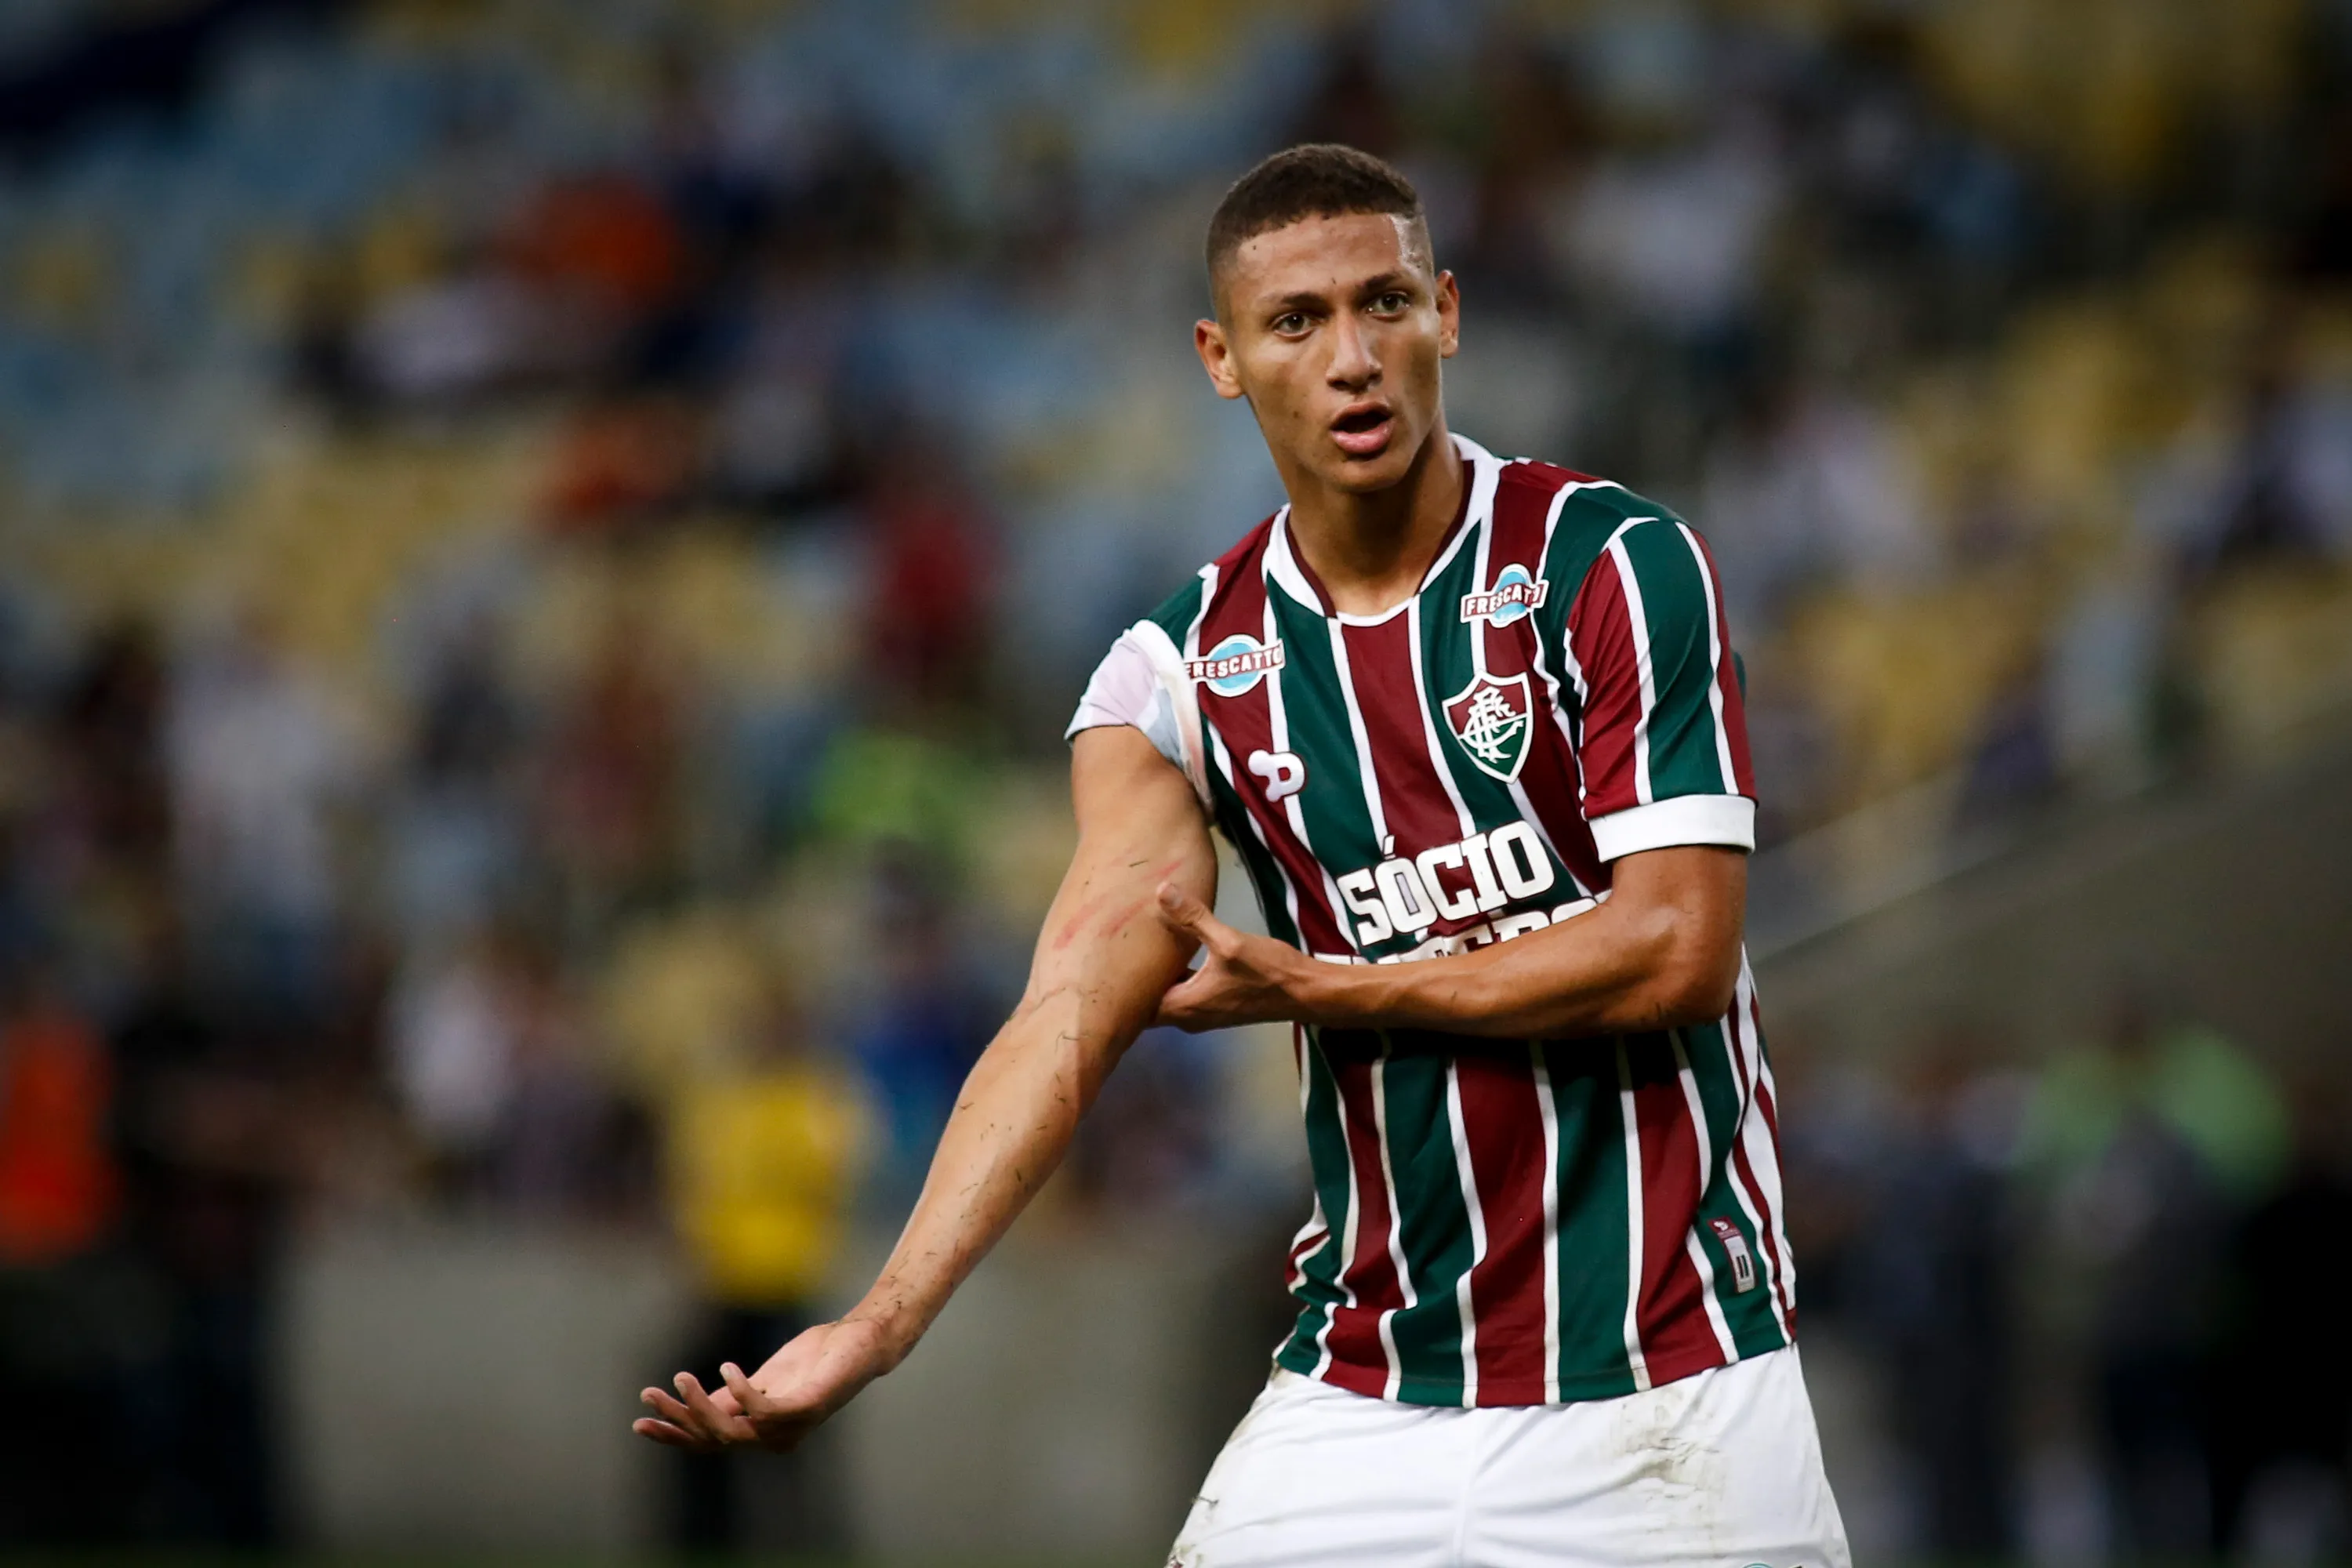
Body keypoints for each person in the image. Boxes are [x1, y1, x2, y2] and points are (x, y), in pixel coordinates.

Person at [635, 143, 1849, 1567]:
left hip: (1675, 1387)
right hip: (1365, 1396)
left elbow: (1678, 952)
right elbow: (1071, 1015)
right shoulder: (1175, 675)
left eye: (1384, 304)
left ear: (1448, 313)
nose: (1353, 358)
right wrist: (879, 1322)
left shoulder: (1612, 563)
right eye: (1297, 322)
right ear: (1221, 357)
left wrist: (1344, 989)